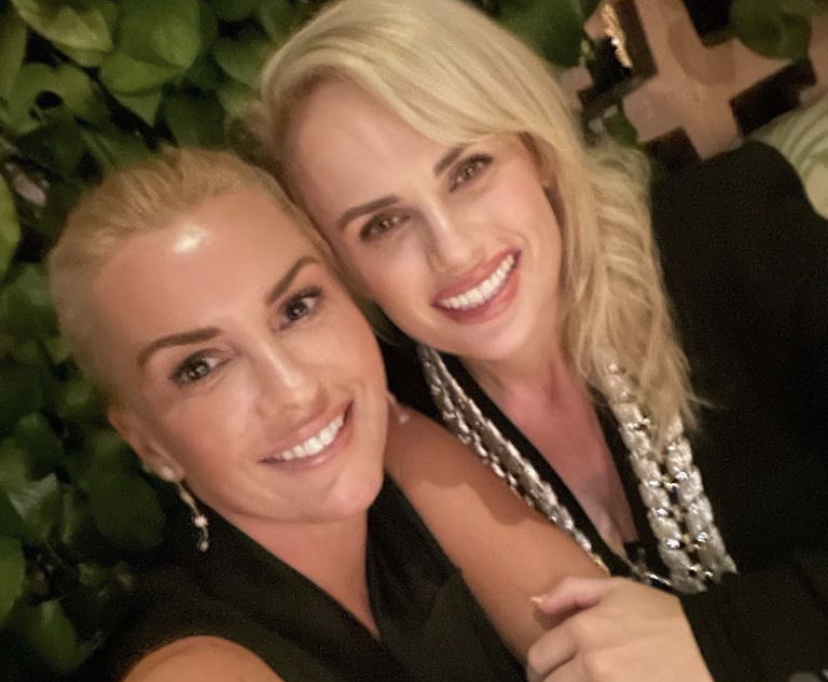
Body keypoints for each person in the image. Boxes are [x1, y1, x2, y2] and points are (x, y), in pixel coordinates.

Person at [241, 0, 828, 679]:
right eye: (382, 225)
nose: (454, 250)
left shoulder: (732, 232)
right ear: (343, 269)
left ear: (538, 151)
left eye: (468, 171)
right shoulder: (386, 421)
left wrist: (717, 638)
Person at [48, 148, 605, 682]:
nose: (294, 390)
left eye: (297, 308)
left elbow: (623, 649)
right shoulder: (192, 665)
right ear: (148, 443)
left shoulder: (402, 448)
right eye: (200, 368)